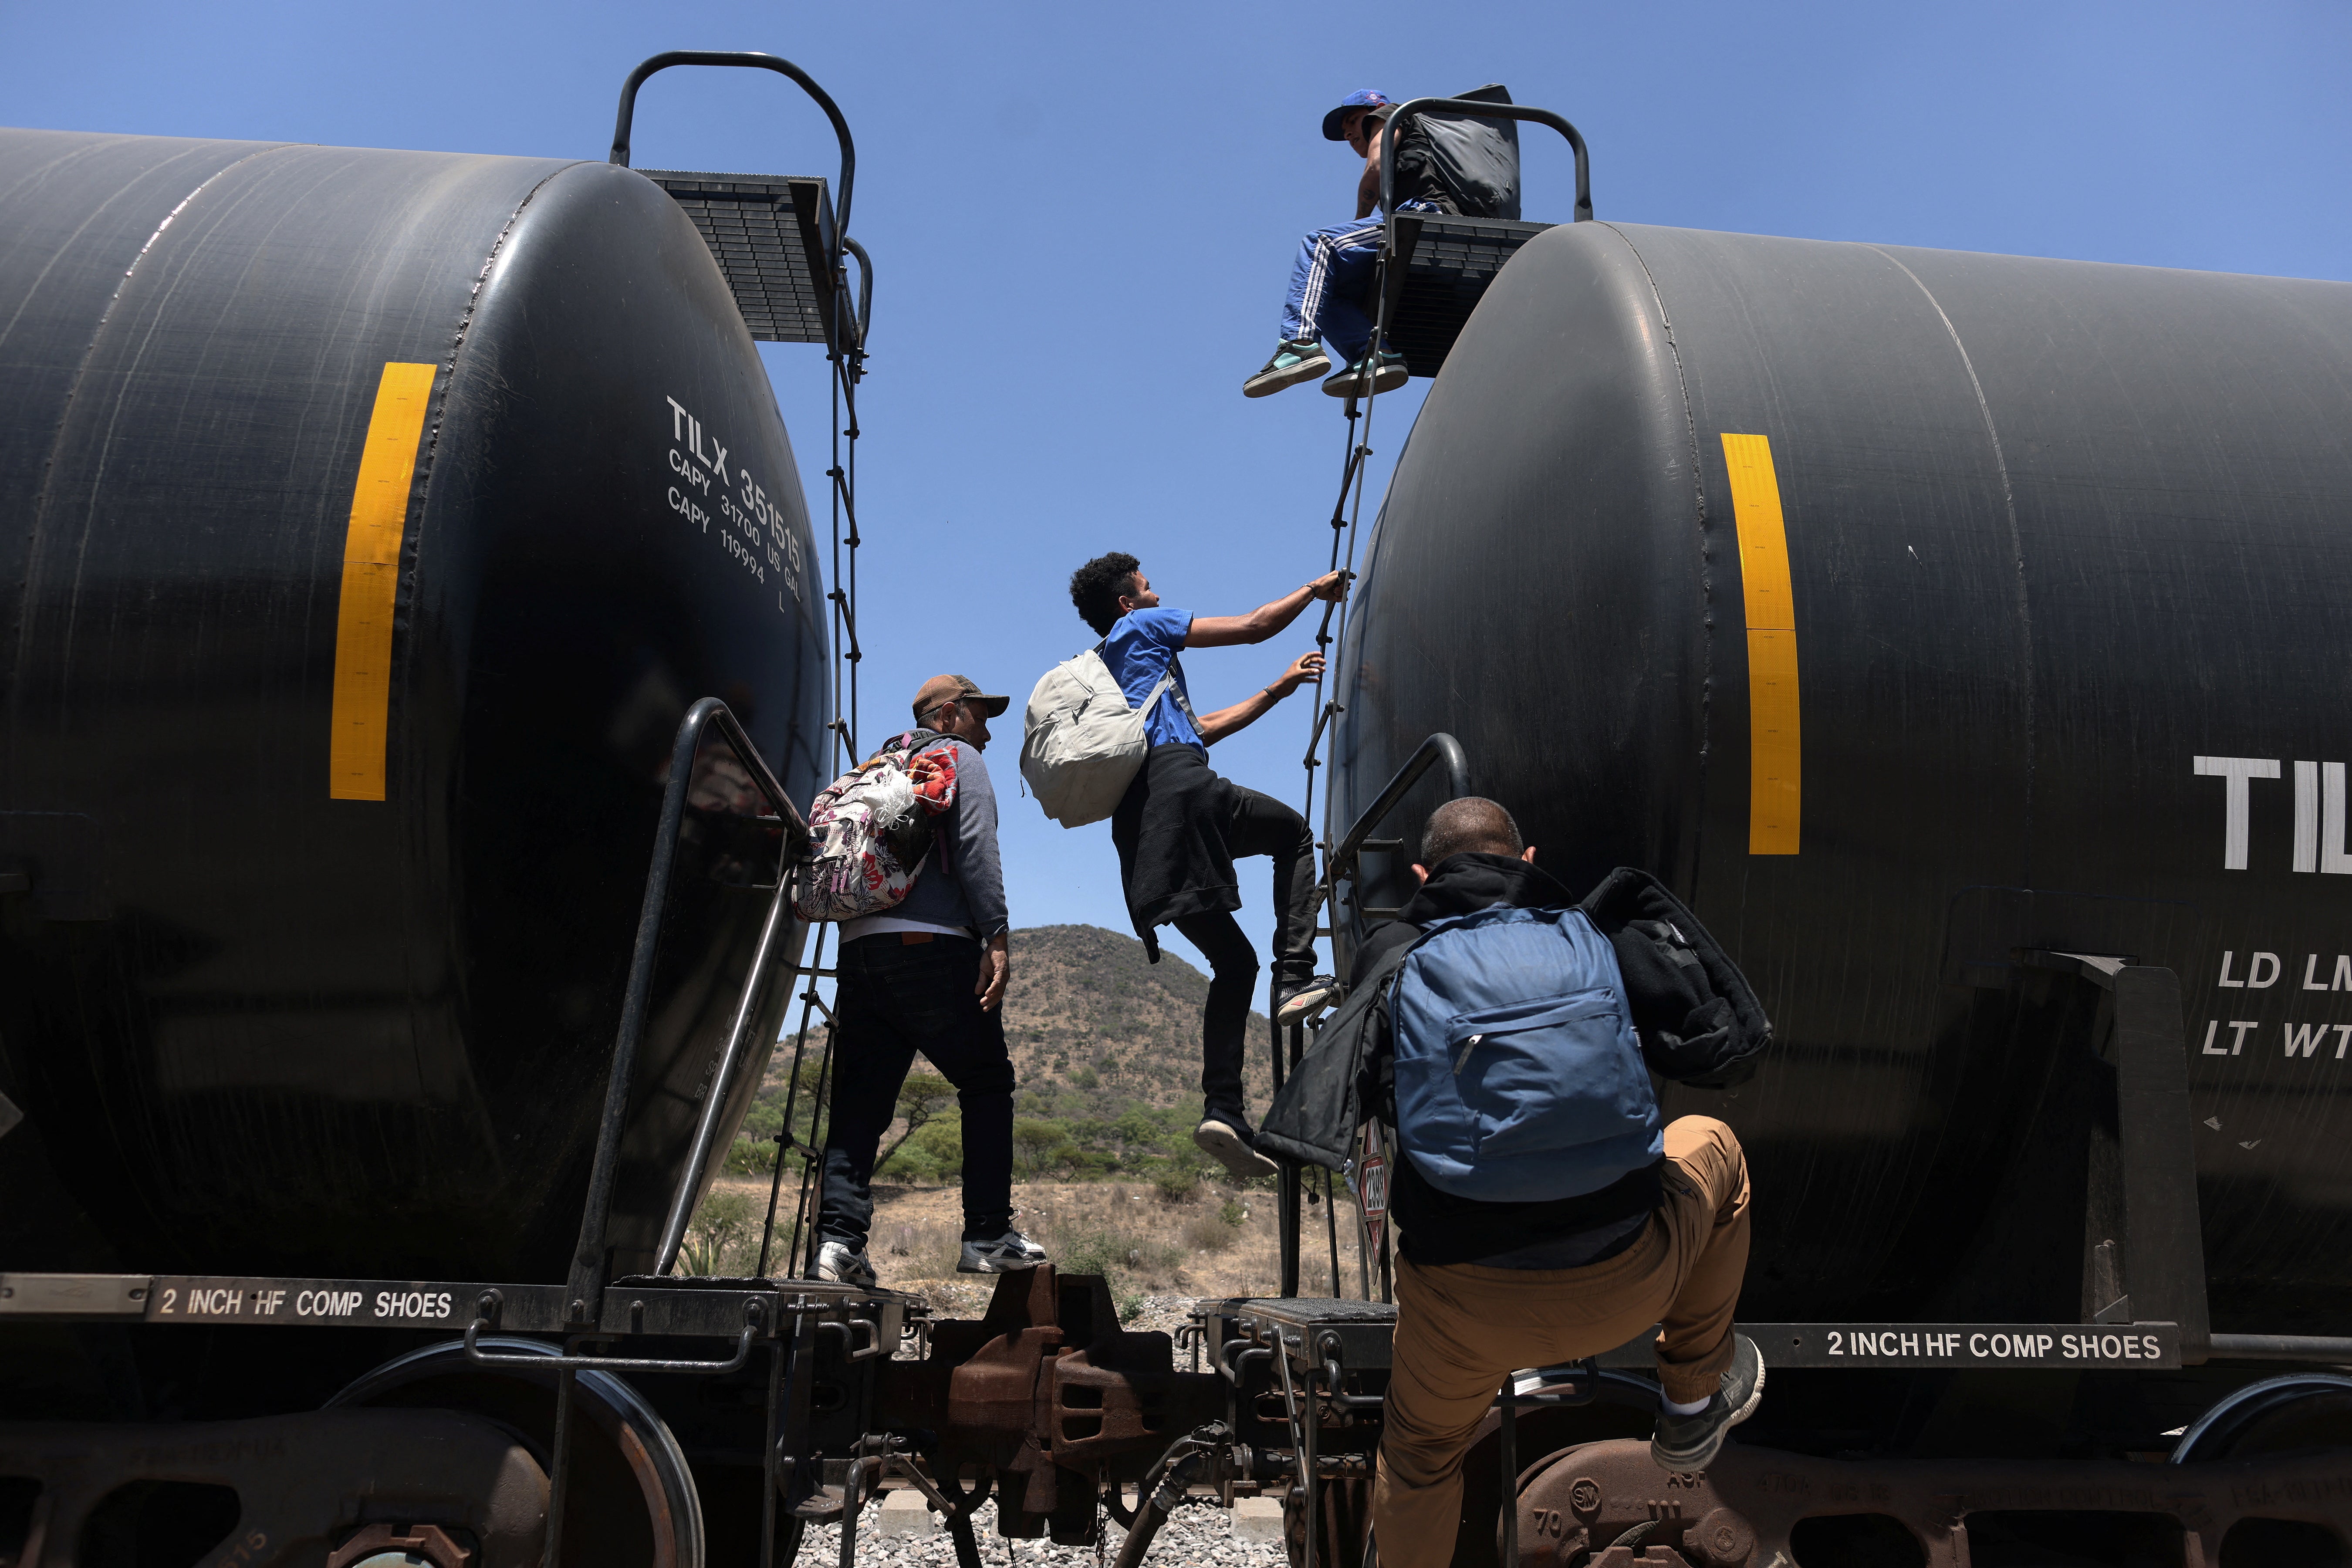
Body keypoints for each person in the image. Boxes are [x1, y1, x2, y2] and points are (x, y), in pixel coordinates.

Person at [1359, 798, 1762, 1565]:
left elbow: (1373, 1101)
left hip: (1462, 1310)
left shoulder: (1395, 958)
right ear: (1529, 859)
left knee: (1417, 1460)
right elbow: (1712, 1048)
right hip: (1628, 1282)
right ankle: (1689, 1400)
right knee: (1715, 1146)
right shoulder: (1598, 937)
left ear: (1422, 874)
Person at [1066, 553, 1348, 1180]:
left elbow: (1200, 729)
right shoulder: (1142, 628)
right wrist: (1312, 589)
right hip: (1184, 792)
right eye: (1146, 586)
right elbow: (1252, 626)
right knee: (1295, 836)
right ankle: (1296, 976)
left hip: (1141, 830)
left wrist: (1278, 687)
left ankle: (1223, 1108)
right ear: (1128, 603)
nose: (1157, 590)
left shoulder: (1119, 676)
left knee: (1233, 963)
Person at [810, 674, 1048, 1284]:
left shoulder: (874, 765)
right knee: (987, 1080)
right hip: (933, 948)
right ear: (947, 714)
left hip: (861, 953)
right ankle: (989, 1234)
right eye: (979, 715)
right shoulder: (956, 757)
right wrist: (996, 937)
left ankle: (838, 1247)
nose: (988, 730)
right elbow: (976, 848)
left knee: (860, 1107)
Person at [1242, 88, 1454, 401]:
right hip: (1409, 220)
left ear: (1376, 111)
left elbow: (1376, 166)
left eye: (1354, 122)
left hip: (1427, 214)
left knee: (1321, 245)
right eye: (1346, 133)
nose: (1351, 134)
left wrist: (1358, 223)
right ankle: (1375, 357)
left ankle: (1298, 345)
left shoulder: (1391, 115)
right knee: (1327, 288)